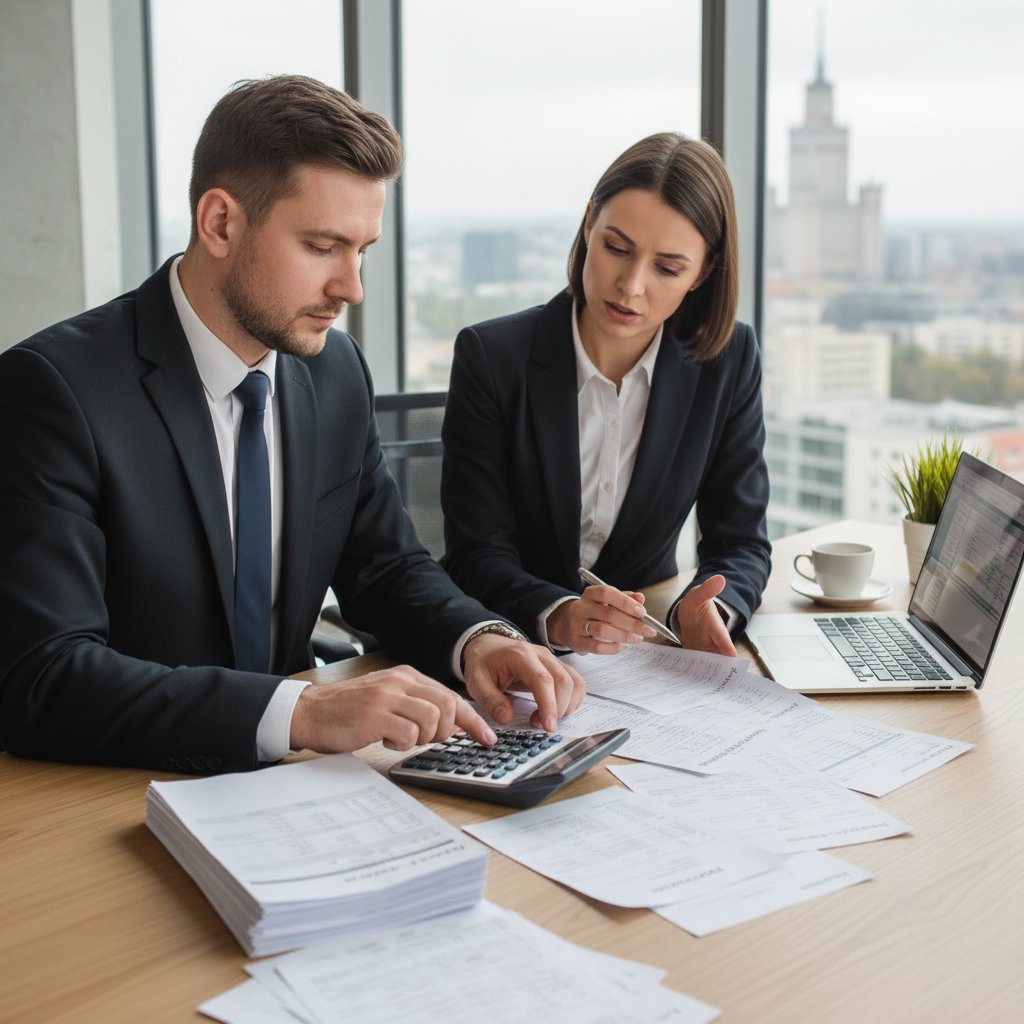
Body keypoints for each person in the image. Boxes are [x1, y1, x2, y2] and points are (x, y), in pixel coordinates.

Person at [0, 75, 585, 774]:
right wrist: (301, 711)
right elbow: (44, 673)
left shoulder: (334, 370)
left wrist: (478, 640)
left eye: (362, 250)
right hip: (119, 783)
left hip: (294, 783)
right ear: (220, 222)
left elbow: (386, 567)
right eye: (322, 246)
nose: (351, 288)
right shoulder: (55, 390)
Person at [441, 132, 771, 658]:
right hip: (515, 647)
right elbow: (474, 554)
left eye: (667, 268)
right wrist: (560, 613)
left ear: (703, 272)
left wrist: (711, 607)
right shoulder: (492, 357)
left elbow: (741, 541)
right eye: (617, 248)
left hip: (648, 653)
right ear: (589, 222)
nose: (631, 285)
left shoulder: (727, 362)